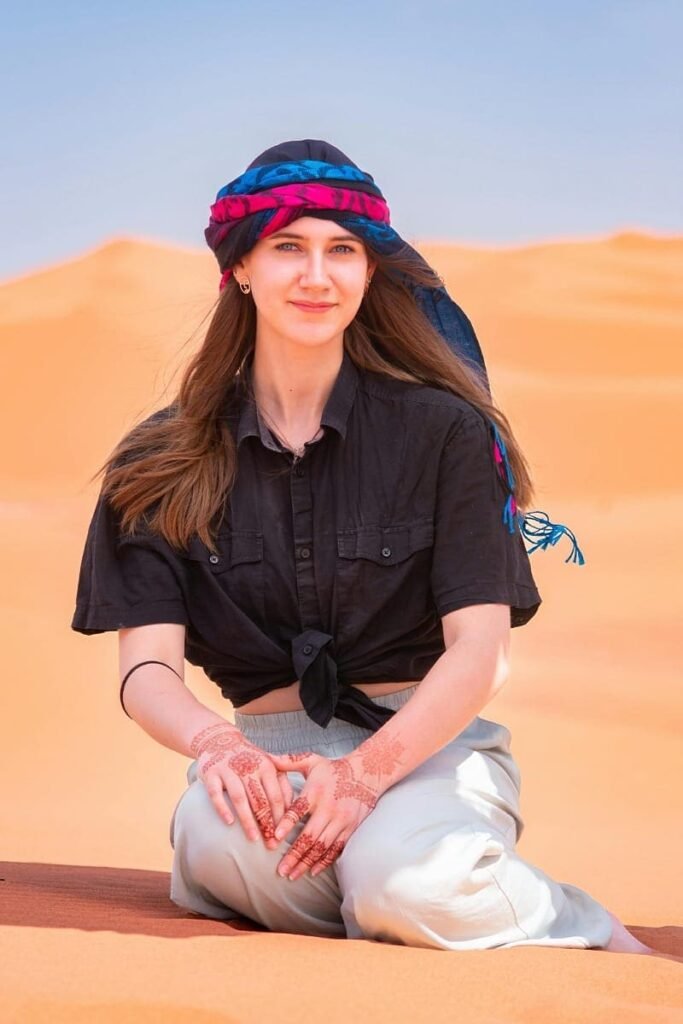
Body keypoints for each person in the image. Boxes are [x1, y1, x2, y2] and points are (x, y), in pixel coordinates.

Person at [71, 138, 653, 954]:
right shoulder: (157, 459)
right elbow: (147, 668)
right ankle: (381, 903)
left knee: (407, 885)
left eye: (342, 250)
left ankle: (574, 933)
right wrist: (218, 747)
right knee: (217, 847)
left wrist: (367, 775)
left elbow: (479, 651)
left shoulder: (444, 432)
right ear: (239, 267)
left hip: (425, 750)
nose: (317, 275)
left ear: (369, 271)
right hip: (260, 773)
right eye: (288, 248)